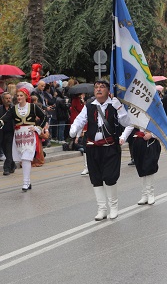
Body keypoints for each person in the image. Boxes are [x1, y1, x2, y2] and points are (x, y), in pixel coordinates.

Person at [69, 80, 130, 221]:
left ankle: (113, 207)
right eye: (96, 87)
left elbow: (126, 123)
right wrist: (73, 130)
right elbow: (80, 120)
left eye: (102, 87)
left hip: (110, 147)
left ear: (108, 90)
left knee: (110, 177)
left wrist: (119, 108)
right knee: (96, 178)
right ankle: (102, 209)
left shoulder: (115, 104)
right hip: (92, 146)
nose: (98, 89)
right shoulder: (89, 105)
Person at [0, 86, 47, 192]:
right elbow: (5, 119)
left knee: (26, 158)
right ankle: (28, 182)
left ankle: (25, 182)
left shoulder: (33, 107)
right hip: (18, 136)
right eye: (17, 95)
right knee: (23, 158)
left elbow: (44, 116)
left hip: (29, 134)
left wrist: (38, 128)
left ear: (26, 96)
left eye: (21, 95)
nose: (19, 97)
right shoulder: (14, 109)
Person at [121, 125, 161, 205]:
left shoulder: (155, 112)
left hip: (151, 142)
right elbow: (130, 125)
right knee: (141, 168)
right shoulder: (137, 113)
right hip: (139, 142)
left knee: (149, 167)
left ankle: (150, 194)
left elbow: (161, 127)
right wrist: (123, 137)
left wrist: (152, 135)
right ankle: (144, 195)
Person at [0, 92, 15, 176]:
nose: (8, 100)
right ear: (2, 100)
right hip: (2, 132)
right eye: (6, 98)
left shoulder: (14, 108)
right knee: (6, 151)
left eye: (9, 98)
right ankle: (12, 164)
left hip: (11, 132)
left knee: (9, 150)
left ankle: (6, 168)